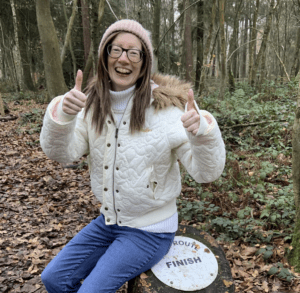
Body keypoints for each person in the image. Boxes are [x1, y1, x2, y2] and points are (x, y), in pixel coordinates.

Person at [39, 19, 226, 293]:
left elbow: (206, 173)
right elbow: (62, 152)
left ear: (144, 61)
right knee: (53, 278)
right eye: (116, 50)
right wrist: (63, 115)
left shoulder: (169, 110)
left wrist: (202, 133)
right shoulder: (92, 105)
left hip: (150, 231)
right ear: (105, 56)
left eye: (133, 52)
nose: (124, 58)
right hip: (108, 221)